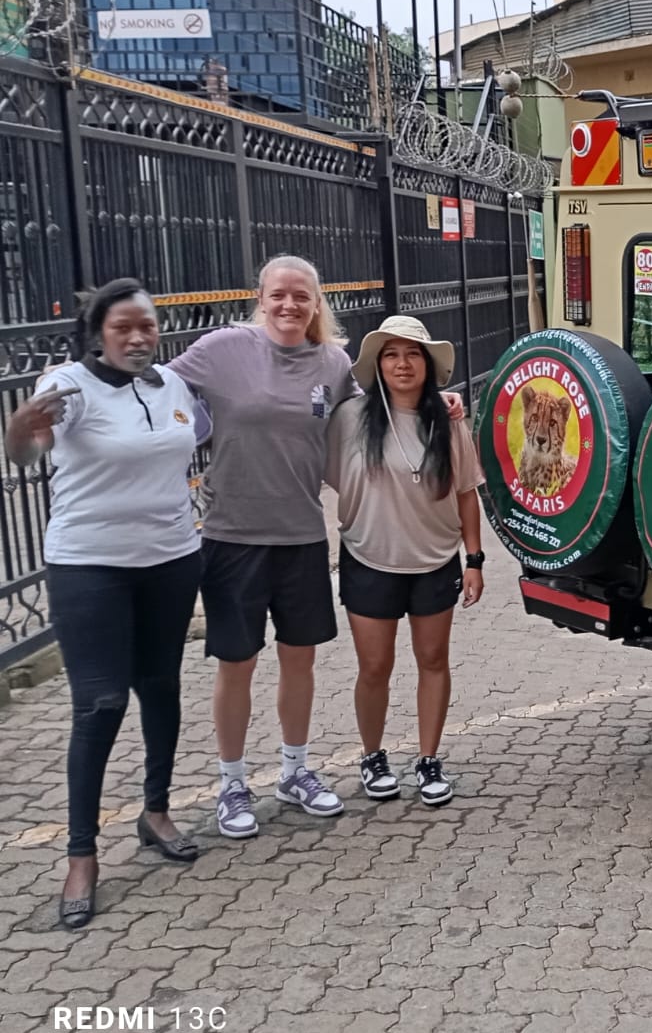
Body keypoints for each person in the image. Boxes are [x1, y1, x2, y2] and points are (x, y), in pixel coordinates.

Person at [167, 255, 465, 840]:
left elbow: (381, 404)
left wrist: (445, 402)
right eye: (278, 295)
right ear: (261, 296)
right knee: (237, 664)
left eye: (301, 297)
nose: (289, 306)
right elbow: (159, 389)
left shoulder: (331, 363)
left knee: (298, 660)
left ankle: (294, 771)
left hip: (303, 535)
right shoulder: (223, 348)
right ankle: (232, 782)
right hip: (232, 536)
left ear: (316, 303)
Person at [4, 280, 205, 929]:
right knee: (100, 701)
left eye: (147, 324)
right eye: (123, 327)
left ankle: (155, 812)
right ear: (98, 332)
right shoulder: (68, 386)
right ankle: (82, 855)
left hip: (171, 561)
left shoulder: (170, 386)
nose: (138, 336)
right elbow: (26, 449)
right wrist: (18, 431)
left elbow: (196, 444)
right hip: (90, 567)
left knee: (161, 687)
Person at [324, 317, 484, 807]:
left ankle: (429, 759)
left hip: (435, 560)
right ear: (377, 365)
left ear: (428, 365)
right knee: (375, 666)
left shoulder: (449, 420)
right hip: (370, 558)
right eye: (391, 354)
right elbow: (322, 473)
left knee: (433, 660)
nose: (402, 363)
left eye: (413, 354)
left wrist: (474, 559)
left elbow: (466, 493)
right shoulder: (351, 417)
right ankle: (372, 756)